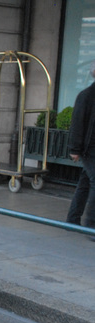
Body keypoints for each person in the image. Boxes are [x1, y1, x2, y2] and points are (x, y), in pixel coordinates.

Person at [66, 60, 95, 239]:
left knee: (85, 183)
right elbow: (77, 123)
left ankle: (72, 220)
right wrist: (75, 149)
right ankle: (91, 225)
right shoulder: (86, 96)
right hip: (88, 149)